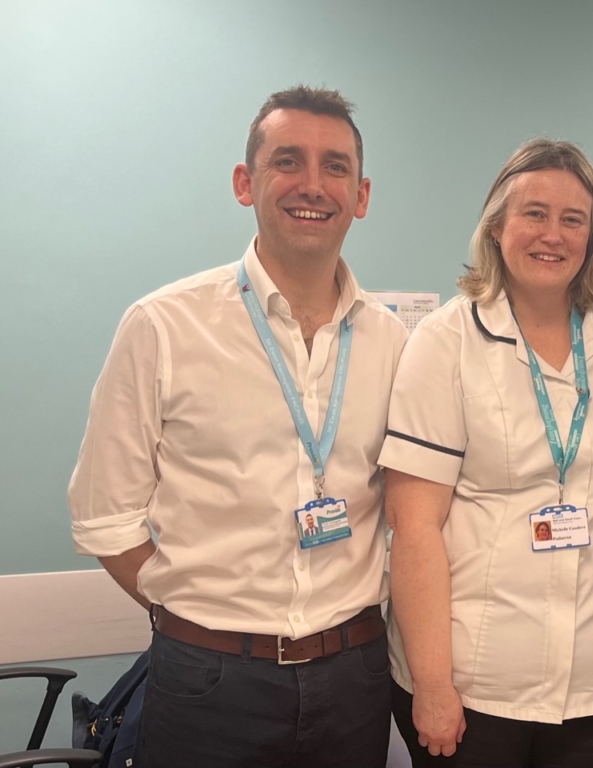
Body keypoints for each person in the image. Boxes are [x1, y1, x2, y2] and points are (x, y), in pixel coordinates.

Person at [67, 86, 407, 768]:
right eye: (289, 160)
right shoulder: (164, 326)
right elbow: (105, 518)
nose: (313, 184)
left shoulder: (395, 343)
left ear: (362, 194)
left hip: (355, 673)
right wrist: (199, 617)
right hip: (208, 680)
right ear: (245, 182)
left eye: (335, 166)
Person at [382, 138, 593, 768]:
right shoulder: (447, 341)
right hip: (476, 685)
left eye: (573, 219)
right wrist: (435, 687)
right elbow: (414, 527)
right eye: (534, 213)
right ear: (496, 227)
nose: (552, 234)